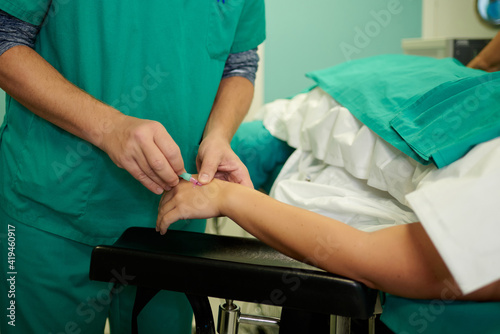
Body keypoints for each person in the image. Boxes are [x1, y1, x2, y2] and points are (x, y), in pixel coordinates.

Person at [0, 1, 265, 333]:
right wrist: (108, 127)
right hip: (52, 214)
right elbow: (5, 38)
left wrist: (217, 135)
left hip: (175, 226)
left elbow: (240, 63)